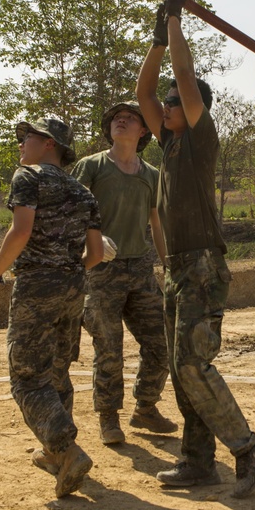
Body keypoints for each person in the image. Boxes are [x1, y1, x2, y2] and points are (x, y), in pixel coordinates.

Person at [135, 0, 255, 498]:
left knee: (194, 361)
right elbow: (145, 92)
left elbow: (183, 79)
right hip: (178, 268)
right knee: (180, 368)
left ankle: (246, 445)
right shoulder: (169, 147)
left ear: (191, 109)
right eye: (167, 105)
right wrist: (155, 40)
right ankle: (197, 462)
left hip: (202, 267)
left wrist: (175, 19)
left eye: (174, 105)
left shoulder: (199, 135)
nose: (163, 109)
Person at [0, 117, 101, 499]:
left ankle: (67, 449)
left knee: (26, 378)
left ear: (50, 144)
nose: (22, 143)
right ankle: (55, 456)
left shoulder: (29, 177)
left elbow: (20, 231)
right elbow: (98, 253)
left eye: (29, 137)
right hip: (73, 287)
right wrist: (69, 272)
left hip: (37, 286)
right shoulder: (84, 193)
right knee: (56, 373)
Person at [70, 102, 177, 445]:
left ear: (144, 131)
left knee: (161, 344)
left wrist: (167, 264)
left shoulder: (151, 175)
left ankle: (145, 408)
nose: (121, 120)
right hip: (101, 271)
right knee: (109, 348)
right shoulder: (92, 167)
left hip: (140, 269)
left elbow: (156, 223)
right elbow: (74, 211)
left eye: (130, 118)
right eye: (116, 117)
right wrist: (94, 238)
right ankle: (108, 417)